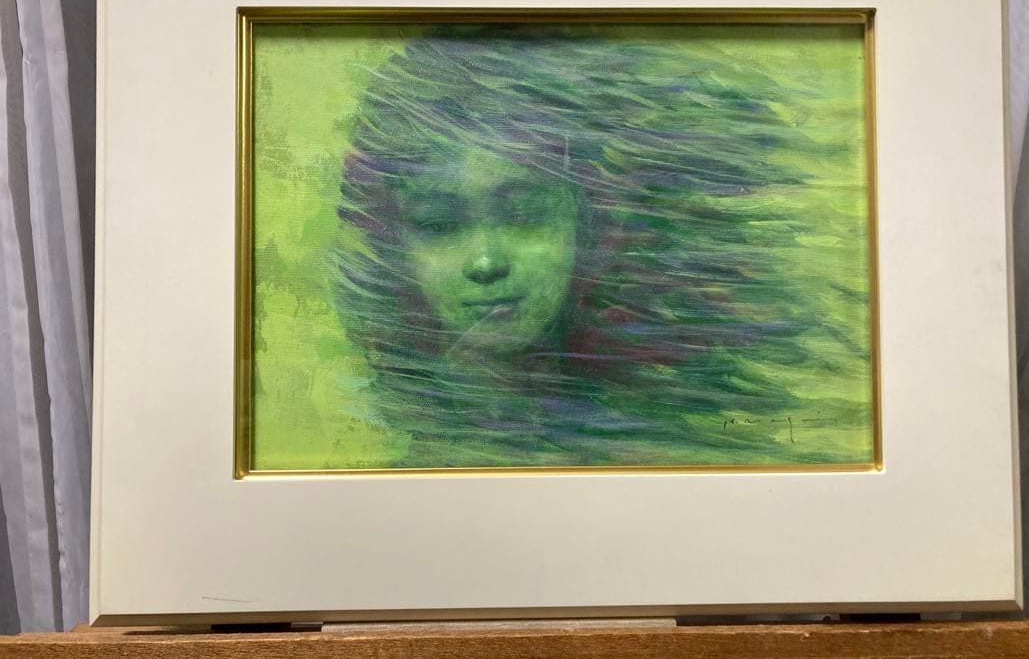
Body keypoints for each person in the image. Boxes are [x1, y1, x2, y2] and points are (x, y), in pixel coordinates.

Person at [335, 24, 850, 468]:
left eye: (524, 215)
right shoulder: (410, 444)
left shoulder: (668, 433)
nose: (486, 262)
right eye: (439, 224)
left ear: (589, 223)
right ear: (395, 243)